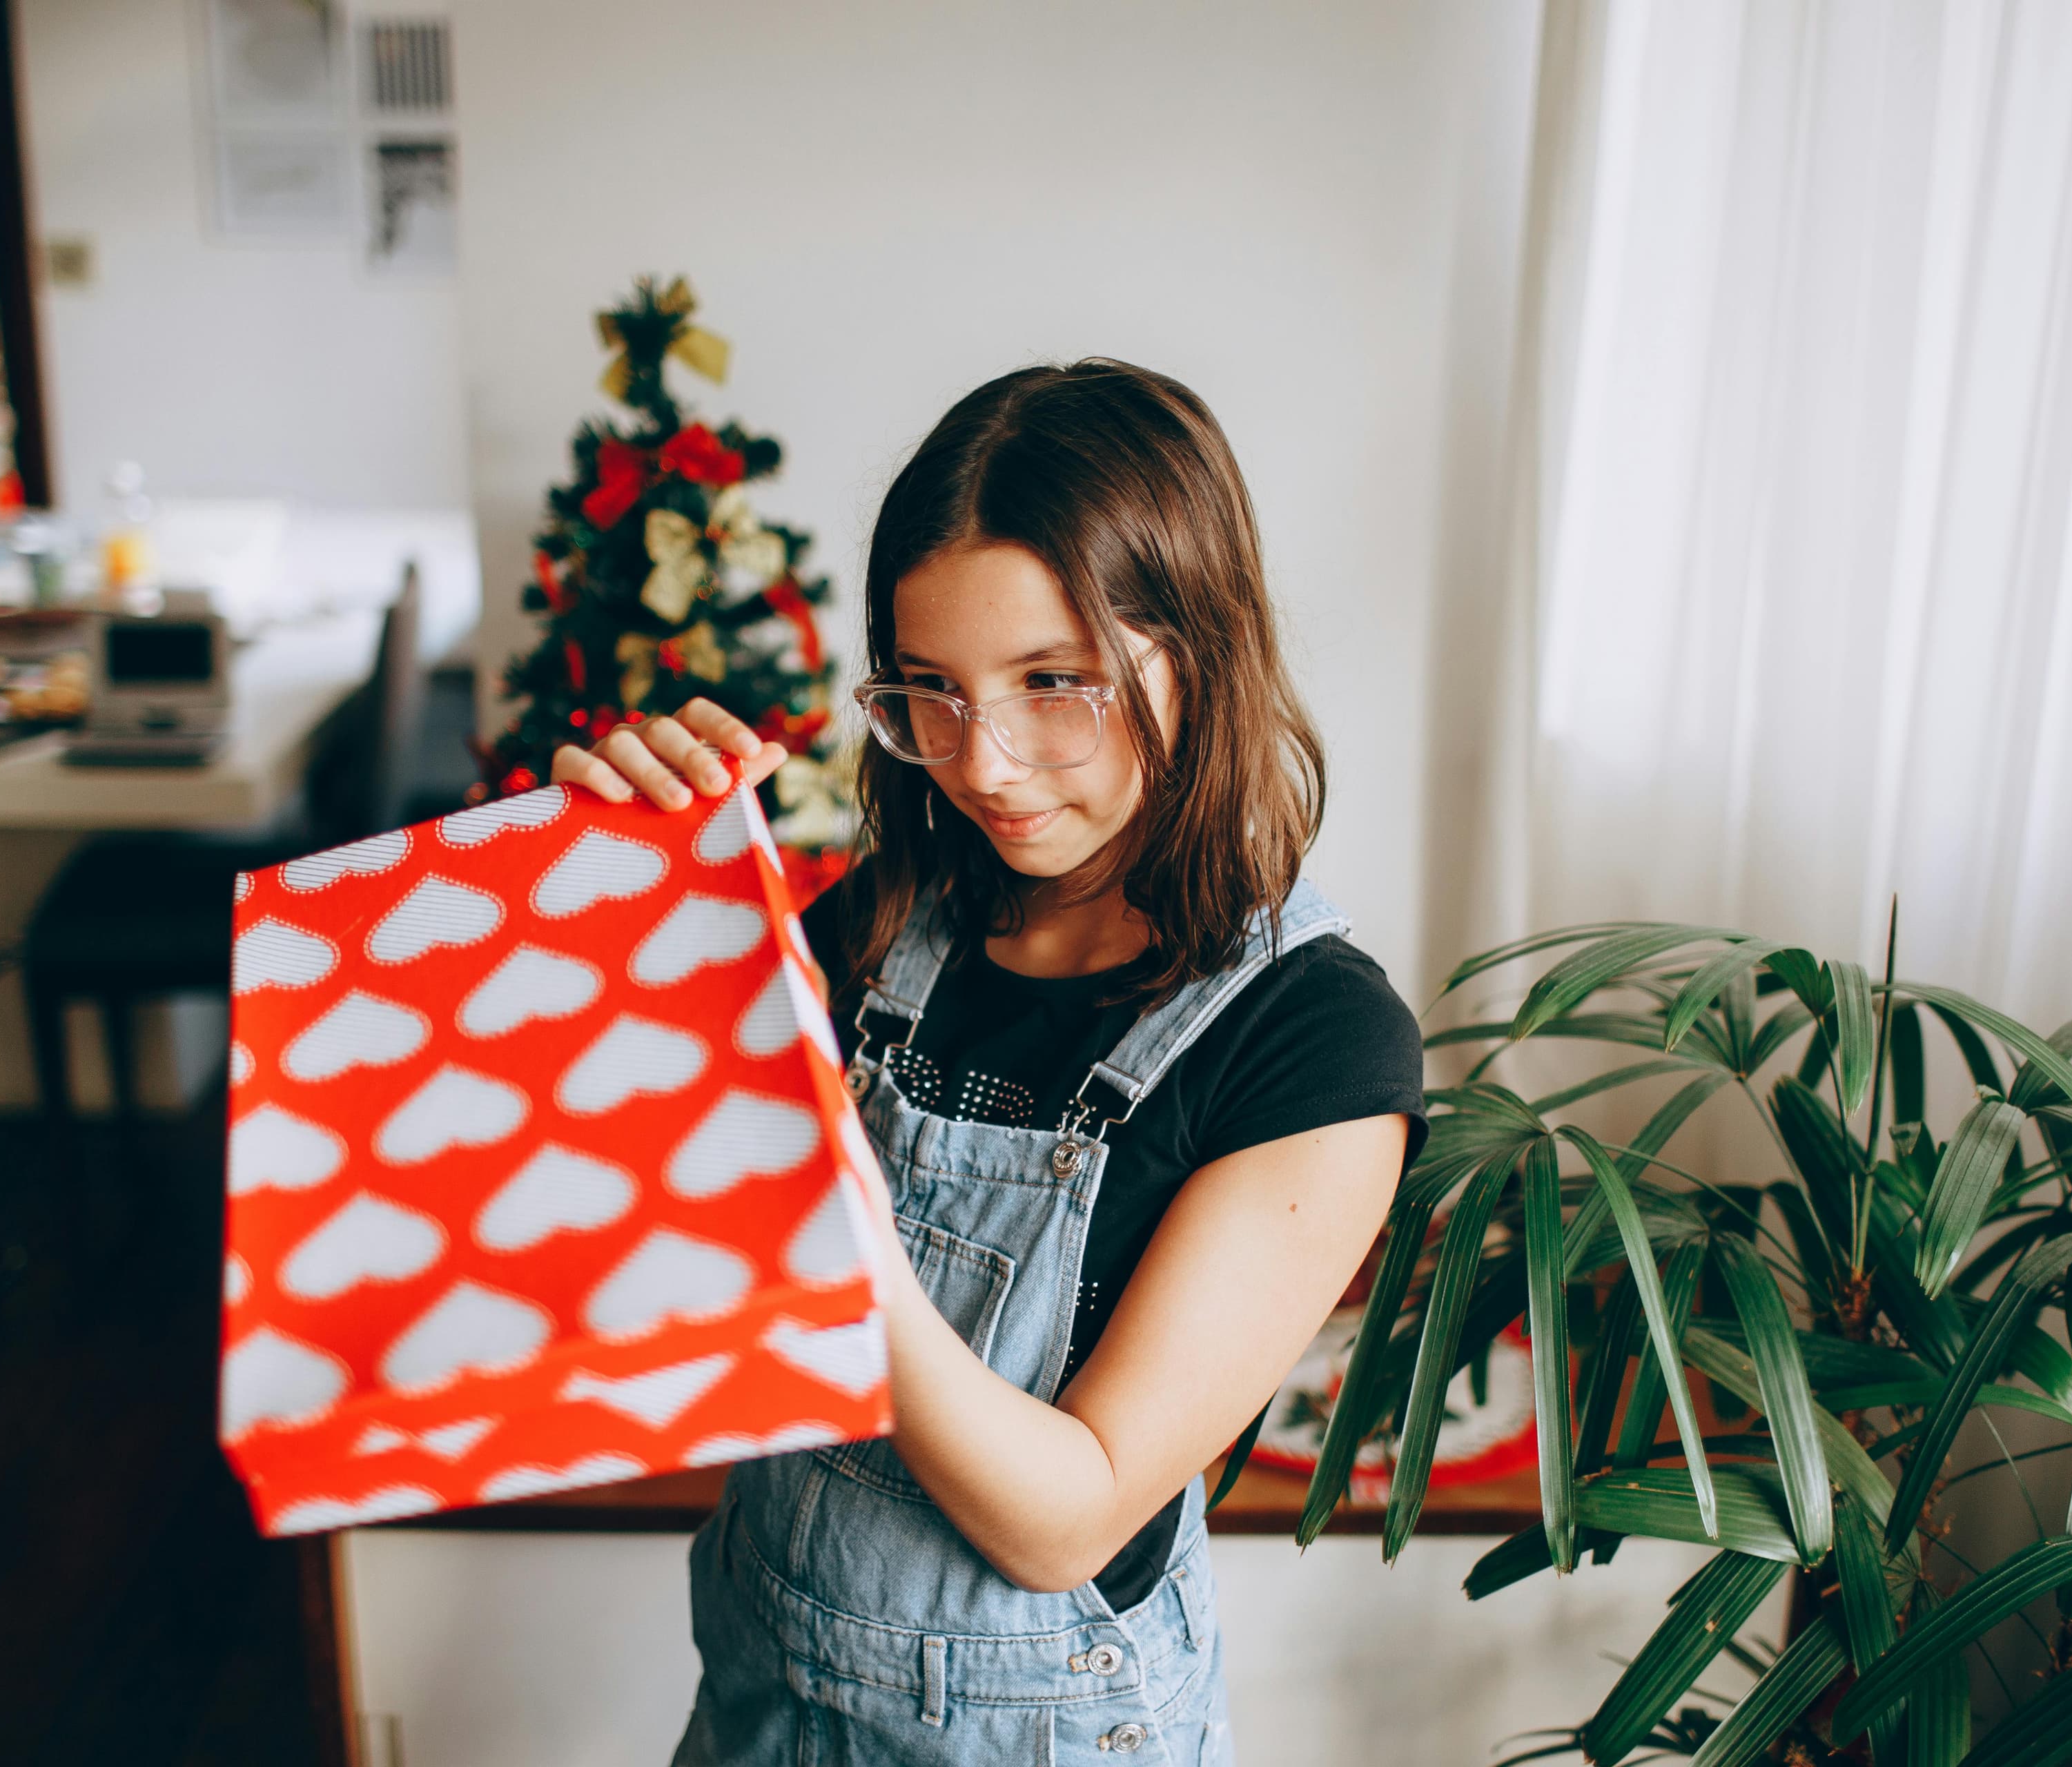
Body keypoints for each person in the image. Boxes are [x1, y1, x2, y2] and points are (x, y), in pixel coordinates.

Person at [552, 360, 1425, 1765]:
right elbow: (613, 1217)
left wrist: (827, 1214)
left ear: (1197, 646)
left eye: (1052, 682)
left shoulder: (1314, 1045)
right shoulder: (881, 930)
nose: (987, 762)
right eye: (931, 692)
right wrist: (605, 897)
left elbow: (1064, 1513)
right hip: (763, 1709)